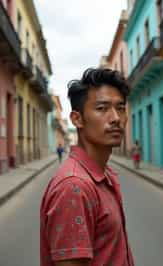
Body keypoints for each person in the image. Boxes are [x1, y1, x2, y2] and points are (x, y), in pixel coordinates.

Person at [40, 68, 135, 266]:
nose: (116, 118)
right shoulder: (74, 187)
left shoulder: (104, 174)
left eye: (120, 108)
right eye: (102, 108)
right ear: (77, 119)